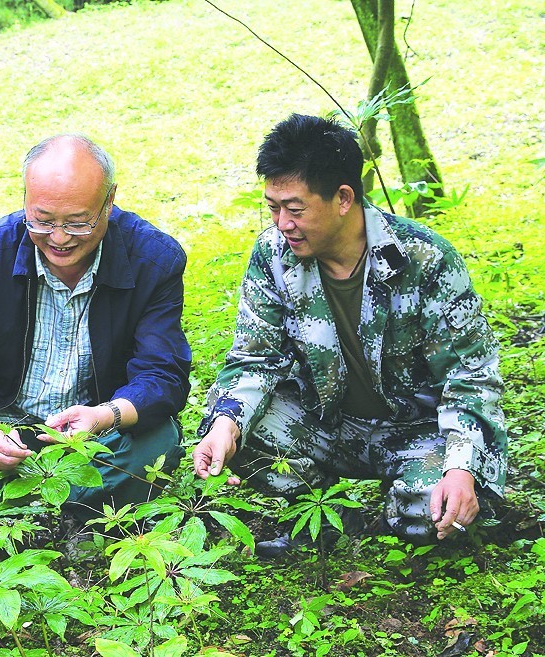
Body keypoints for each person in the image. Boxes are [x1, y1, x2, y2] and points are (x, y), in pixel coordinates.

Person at [193, 114, 506, 555]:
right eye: (273, 208)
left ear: (343, 198)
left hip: (416, 432)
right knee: (236, 425)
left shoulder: (424, 258)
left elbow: (470, 374)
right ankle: (325, 511)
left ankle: (400, 511)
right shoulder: (273, 256)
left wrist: (461, 467)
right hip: (328, 425)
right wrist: (225, 426)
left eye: (295, 209)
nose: (282, 223)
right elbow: (254, 359)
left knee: (437, 516)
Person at [0, 134, 191, 529]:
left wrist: (105, 417)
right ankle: (20, 511)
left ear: (110, 200)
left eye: (77, 222)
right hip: (1, 420)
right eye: (43, 220)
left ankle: (63, 513)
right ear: (25, 200)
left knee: (158, 445)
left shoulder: (154, 260)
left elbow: (162, 375)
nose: (59, 238)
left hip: (93, 431)